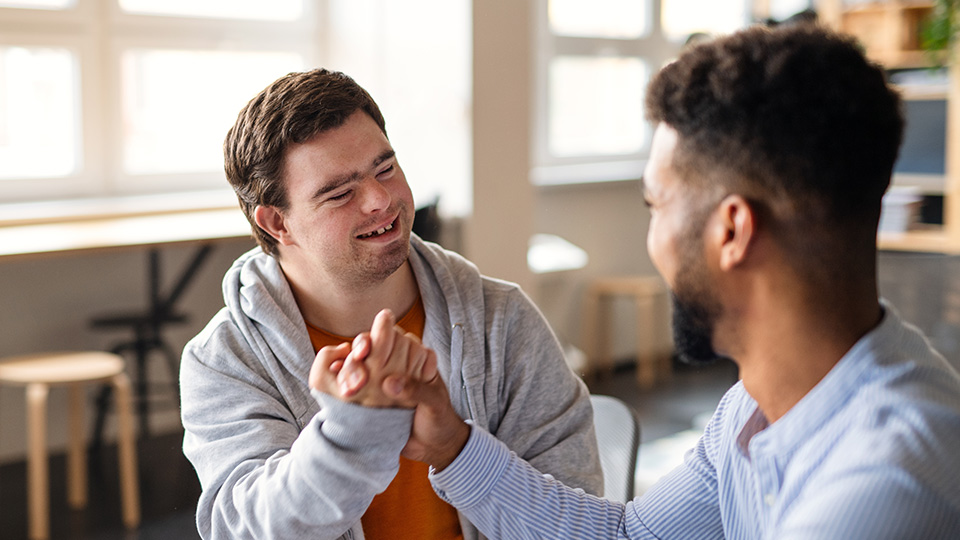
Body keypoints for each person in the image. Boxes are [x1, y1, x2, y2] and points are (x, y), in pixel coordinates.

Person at [323, 24, 960, 539]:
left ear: (731, 231)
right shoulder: (757, 404)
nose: (652, 238)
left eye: (656, 205)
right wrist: (453, 444)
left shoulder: (888, 482)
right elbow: (631, 536)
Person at [178, 68, 602, 540]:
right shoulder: (225, 359)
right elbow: (244, 530)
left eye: (386, 169)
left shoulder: (502, 320)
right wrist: (352, 433)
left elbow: (577, 520)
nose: (381, 200)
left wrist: (458, 448)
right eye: (340, 193)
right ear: (278, 223)